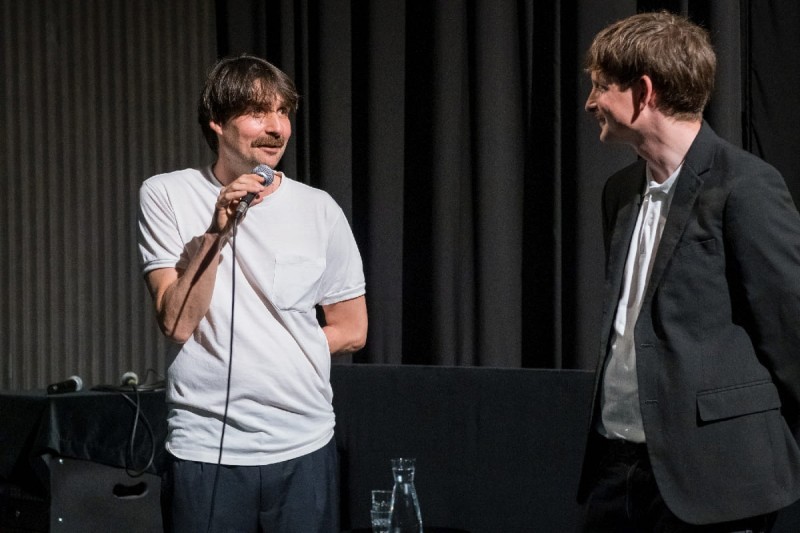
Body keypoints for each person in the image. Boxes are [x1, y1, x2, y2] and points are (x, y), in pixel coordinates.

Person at [577, 11, 800, 531]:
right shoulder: (620, 193)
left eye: (601, 87)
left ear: (644, 91)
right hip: (619, 471)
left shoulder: (744, 187)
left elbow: (791, 326)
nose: (591, 103)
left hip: (716, 480)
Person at [137, 54, 367, 532]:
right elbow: (176, 322)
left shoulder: (318, 209)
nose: (277, 128)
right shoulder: (166, 195)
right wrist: (217, 230)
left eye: (283, 112)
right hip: (205, 451)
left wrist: (274, 352)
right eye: (259, 112)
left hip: (304, 447)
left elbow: (352, 330)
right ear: (217, 121)